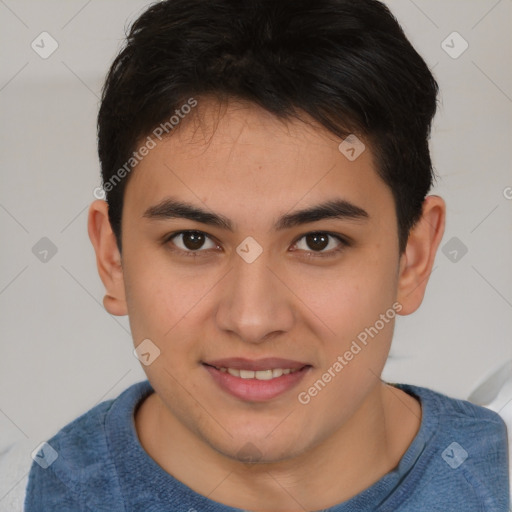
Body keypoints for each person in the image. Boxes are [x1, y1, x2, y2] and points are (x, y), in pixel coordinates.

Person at [5, 0, 510, 510]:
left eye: (318, 241)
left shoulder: (497, 479)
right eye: (193, 240)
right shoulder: (58, 486)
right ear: (112, 257)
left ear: (413, 257)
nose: (252, 319)